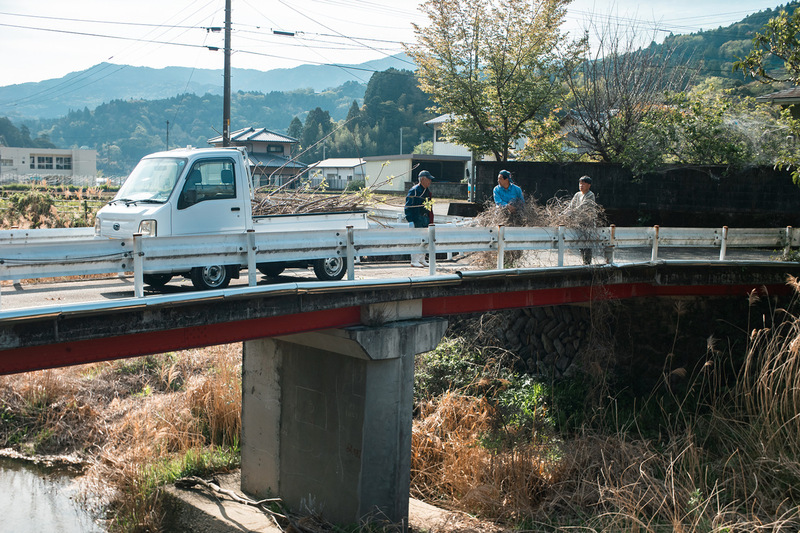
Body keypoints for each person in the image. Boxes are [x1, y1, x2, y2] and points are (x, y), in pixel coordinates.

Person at [405, 170, 435, 267]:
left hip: (425, 218)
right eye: (428, 179)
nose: (430, 181)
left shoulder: (427, 191)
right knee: (416, 240)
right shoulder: (414, 190)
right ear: (422, 179)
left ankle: (422, 259)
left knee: (425, 239)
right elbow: (408, 206)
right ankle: (414, 260)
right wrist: (410, 220)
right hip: (417, 218)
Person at [568, 175, 597, 264]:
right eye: (580, 184)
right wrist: (562, 214)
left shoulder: (590, 195)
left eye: (583, 184)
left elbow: (583, 207)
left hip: (588, 223)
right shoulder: (577, 194)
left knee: (587, 243)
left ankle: (587, 262)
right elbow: (570, 206)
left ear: (589, 185)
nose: (581, 186)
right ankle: (584, 262)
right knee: (580, 243)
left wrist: (571, 212)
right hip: (578, 222)